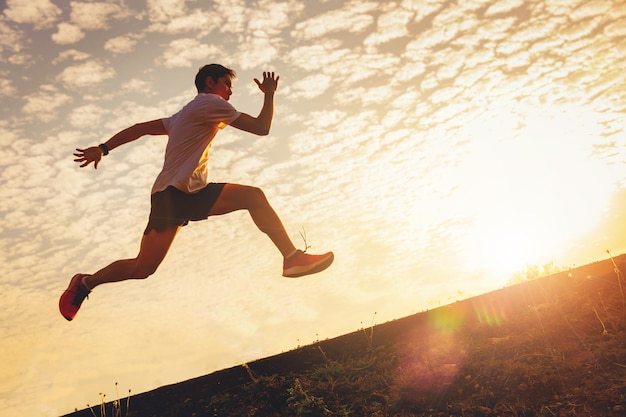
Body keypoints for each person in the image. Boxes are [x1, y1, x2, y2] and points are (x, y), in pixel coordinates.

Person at [59, 64, 334, 321]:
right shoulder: (209, 103)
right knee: (143, 267)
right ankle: (85, 282)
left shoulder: (181, 115)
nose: (230, 91)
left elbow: (141, 129)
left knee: (252, 198)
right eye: (227, 84)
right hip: (173, 196)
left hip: (187, 193)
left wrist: (104, 148)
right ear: (210, 82)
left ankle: (292, 258)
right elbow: (262, 128)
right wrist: (270, 95)